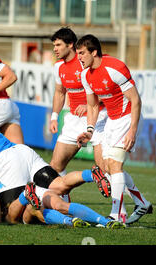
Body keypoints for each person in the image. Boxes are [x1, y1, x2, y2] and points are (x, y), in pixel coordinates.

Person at [0, 122, 125, 229]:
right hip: (24, 152)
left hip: (7, 161)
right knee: (59, 186)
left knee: (12, 217)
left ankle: (27, 195)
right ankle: (91, 178)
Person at [76, 34, 152, 224]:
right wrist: (90, 130)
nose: (79, 57)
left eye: (82, 53)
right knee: (106, 166)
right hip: (112, 120)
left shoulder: (115, 68)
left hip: (127, 118)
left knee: (116, 166)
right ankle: (141, 203)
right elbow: (92, 106)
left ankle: (116, 215)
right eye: (77, 53)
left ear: (94, 52)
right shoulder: (85, 75)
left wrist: (132, 130)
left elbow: (135, 100)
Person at [49, 27, 110, 200]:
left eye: (58, 45)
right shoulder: (58, 67)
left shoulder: (86, 61)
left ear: (70, 45)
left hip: (96, 118)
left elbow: (107, 90)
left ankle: (134, 202)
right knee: (55, 166)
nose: (55, 49)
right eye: (54, 45)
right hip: (73, 120)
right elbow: (60, 92)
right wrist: (54, 116)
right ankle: (63, 206)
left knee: (106, 168)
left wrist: (90, 104)